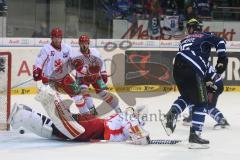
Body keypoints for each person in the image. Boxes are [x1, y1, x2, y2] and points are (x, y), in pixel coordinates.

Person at [8, 85, 149, 145]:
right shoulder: (131, 119)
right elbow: (136, 133)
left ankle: (23, 115)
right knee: (71, 129)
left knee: (59, 132)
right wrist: (143, 137)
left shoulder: (126, 115)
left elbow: (132, 129)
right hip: (97, 127)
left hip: (94, 123)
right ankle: (53, 97)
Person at [164, 18, 228, 149]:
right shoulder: (205, 35)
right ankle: (195, 137)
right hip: (193, 67)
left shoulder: (184, 40)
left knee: (188, 96)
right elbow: (221, 41)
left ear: (190, 29)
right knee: (202, 102)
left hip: (177, 66)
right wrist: (222, 58)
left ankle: (172, 113)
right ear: (199, 27)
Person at [33, 28, 90, 114]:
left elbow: (75, 59)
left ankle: (87, 115)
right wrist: (37, 71)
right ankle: (60, 114)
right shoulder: (46, 49)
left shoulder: (67, 48)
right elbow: (39, 61)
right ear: (51, 38)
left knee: (78, 96)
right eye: (55, 37)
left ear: (61, 38)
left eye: (59, 37)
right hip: (50, 80)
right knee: (55, 101)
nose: (57, 40)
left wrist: (80, 67)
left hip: (64, 77)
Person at [71, 35, 122, 114]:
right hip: (82, 78)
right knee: (84, 93)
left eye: (85, 43)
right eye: (82, 43)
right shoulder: (75, 54)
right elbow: (79, 69)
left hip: (95, 76)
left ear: (88, 43)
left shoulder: (95, 51)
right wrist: (90, 71)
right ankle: (93, 112)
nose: (84, 45)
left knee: (103, 93)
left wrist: (103, 73)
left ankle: (118, 110)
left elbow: (101, 62)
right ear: (79, 44)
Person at [182, 63, 230, 129]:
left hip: (214, 85)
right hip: (213, 84)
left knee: (206, 105)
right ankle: (192, 117)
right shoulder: (198, 60)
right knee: (193, 97)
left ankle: (222, 121)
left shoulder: (193, 65)